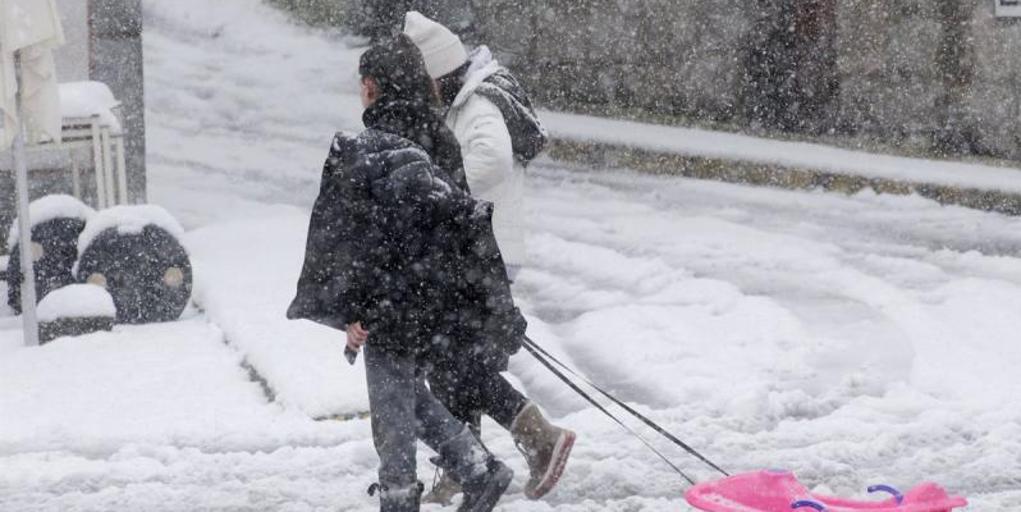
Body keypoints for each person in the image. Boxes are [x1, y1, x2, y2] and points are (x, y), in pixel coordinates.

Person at [287, 35, 525, 512]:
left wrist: (359, 309)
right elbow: (456, 225)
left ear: (371, 86)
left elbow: (362, 241)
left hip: (394, 298)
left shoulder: (372, 148)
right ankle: (476, 469)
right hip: (432, 299)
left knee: (391, 403)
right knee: (403, 393)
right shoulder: (438, 136)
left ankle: (404, 494)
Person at [403, 12, 575, 503]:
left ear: (438, 75)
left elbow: (493, 161)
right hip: (477, 253)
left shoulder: (477, 106)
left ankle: (537, 436)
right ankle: (467, 464)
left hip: (484, 255)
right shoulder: (463, 103)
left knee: (453, 360)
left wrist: (440, 187)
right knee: (453, 358)